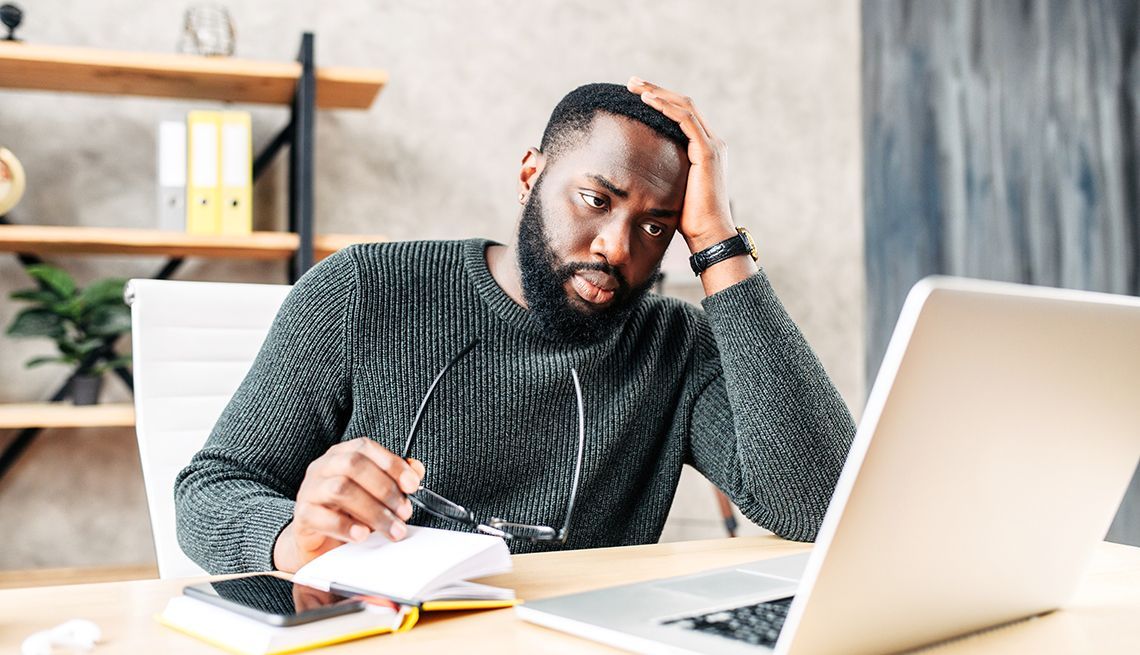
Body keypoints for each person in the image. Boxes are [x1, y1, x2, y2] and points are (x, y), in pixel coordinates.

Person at [175, 78, 856, 575]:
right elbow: (211, 490)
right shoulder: (366, 289)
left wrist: (719, 242)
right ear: (531, 175)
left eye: (656, 225)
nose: (617, 247)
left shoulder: (675, 346)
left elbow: (822, 503)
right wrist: (297, 537)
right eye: (596, 199)